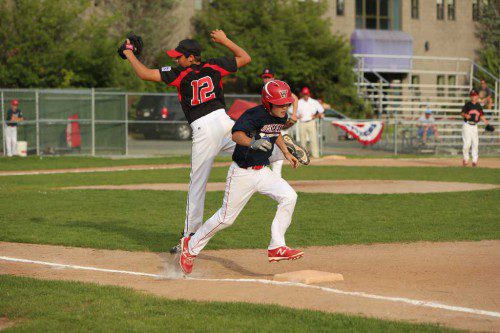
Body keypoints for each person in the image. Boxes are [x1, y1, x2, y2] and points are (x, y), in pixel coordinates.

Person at [119, 30, 308, 253]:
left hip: (203, 129)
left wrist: (129, 53)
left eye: (179, 56)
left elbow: (144, 74)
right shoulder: (214, 66)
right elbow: (246, 58)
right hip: (224, 122)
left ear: (191, 57)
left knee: (197, 183)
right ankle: (282, 150)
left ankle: (189, 237)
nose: (175, 59)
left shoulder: (179, 74)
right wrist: (224, 40)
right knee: (251, 144)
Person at [179, 80, 304, 274]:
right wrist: (252, 143)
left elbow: (276, 131)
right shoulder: (253, 115)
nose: (285, 106)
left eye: (287, 103)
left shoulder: (280, 116)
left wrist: (286, 152)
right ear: (268, 102)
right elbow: (236, 135)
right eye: (280, 103)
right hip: (242, 173)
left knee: (289, 196)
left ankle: (276, 246)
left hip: (263, 171)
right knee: (226, 219)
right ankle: (190, 248)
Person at [261, 68, 300, 177]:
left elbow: (295, 98)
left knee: (277, 156)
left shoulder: (277, 88)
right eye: (264, 77)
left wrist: (294, 115)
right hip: (268, 126)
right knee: (265, 153)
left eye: (268, 77)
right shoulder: (265, 89)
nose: (266, 79)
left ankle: (276, 179)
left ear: (273, 77)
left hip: (278, 124)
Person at [461, 89, 492, 167]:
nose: (473, 97)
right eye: (471, 95)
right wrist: (465, 115)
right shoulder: (467, 104)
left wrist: (487, 124)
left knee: (475, 143)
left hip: (475, 126)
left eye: (474, 95)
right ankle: (466, 158)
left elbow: (481, 116)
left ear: (477, 96)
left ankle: (474, 160)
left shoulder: (478, 106)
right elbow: (462, 113)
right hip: (467, 125)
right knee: (467, 143)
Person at [297, 87, 324, 158]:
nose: (305, 95)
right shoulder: (299, 102)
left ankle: (315, 155)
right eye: (304, 94)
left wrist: (316, 116)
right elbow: (291, 111)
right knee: (302, 140)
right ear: (302, 94)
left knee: (313, 139)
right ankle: (303, 156)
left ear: (309, 94)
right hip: (302, 122)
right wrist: (297, 116)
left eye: (306, 94)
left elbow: (321, 111)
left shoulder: (314, 102)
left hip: (311, 122)